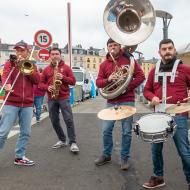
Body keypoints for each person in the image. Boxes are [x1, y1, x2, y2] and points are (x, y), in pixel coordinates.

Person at [143, 39, 190, 190]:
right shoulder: (153, 70)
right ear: (159, 52)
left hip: (179, 115)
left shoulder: (184, 69)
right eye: (164, 49)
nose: (167, 51)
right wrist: (152, 97)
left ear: (174, 50)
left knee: (184, 152)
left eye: (170, 48)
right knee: (155, 150)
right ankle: (158, 177)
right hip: (158, 116)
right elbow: (146, 90)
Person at [95, 38, 145, 170]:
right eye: (110, 45)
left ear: (119, 46)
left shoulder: (129, 60)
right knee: (106, 130)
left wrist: (127, 87)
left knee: (127, 131)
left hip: (127, 99)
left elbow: (141, 76)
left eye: (115, 45)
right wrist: (108, 79)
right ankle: (106, 155)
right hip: (111, 100)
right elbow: (98, 82)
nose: (113, 47)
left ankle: (124, 158)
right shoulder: (104, 64)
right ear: (107, 48)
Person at [0, 40, 40, 166]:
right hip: (11, 102)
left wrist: (26, 69)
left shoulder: (31, 65)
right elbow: (5, 76)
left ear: (28, 52)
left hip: (27, 103)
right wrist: (7, 85)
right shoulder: (9, 64)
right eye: (17, 50)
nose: (19, 53)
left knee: (26, 132)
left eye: (22, 50)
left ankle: (19, 157)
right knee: (3, 132)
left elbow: (37, 80)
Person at [39, 47, 79, 153]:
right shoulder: (46, 69)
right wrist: (47, 87)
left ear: (60, 55)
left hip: (64, 97)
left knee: (68, 119)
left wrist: (63, 78)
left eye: (57, 54)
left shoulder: (66, 68)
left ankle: (73, 142)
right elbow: (40, 83)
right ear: (50, 56)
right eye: (52, 54)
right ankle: (62, 139)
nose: (54, 56)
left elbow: (73, 81)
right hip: (52, 98)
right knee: (54, 121)